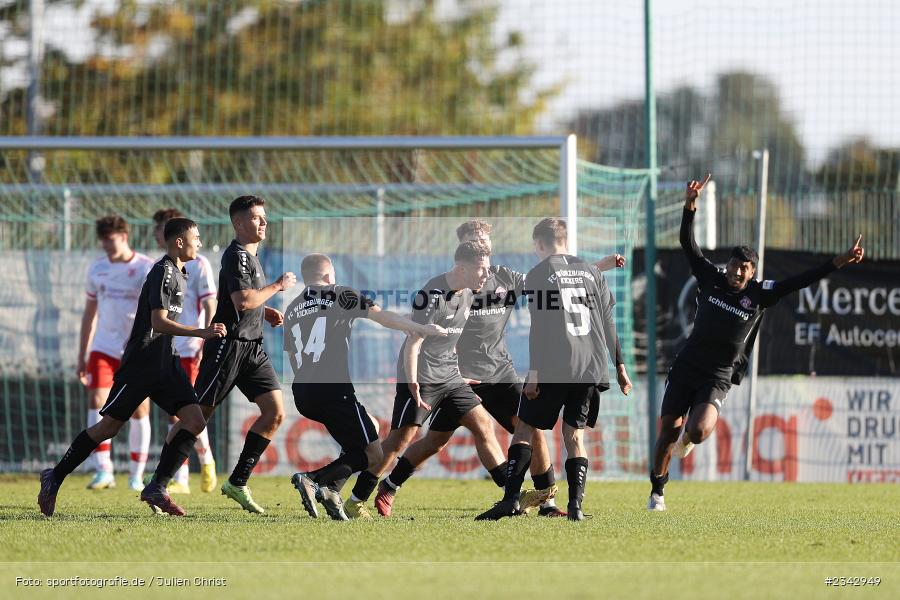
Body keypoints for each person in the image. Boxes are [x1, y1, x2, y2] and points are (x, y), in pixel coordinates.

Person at [648, 174, 865, 511]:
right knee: (666, 434)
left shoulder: (760, 294)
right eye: (735, 265)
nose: (737, 272)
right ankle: (657, 492)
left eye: (745, 268)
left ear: (752, 273)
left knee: (699, 429)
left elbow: (801, 280)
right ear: (729, 265)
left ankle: (688, 440)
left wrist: (839, 261)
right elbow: (687, 243)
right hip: (687, 366)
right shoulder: (711, 278)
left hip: (717, 375)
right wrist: (690, 206)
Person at [39, 218, 227, 517]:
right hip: (142, 364)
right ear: (180, 242)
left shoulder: (182, 271)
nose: (200, 243)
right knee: (108, 428)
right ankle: (55, 476)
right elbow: (158, 322)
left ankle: (157, 486)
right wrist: (200, 332)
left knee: (194, 420)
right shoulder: (163, 271)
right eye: (197, 238)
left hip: (167, 363)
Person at [455, 219, 626, 517]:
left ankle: (512, 500)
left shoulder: (537, 273)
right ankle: (575, 507)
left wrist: (533, 374)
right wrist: (620, 365)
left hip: (553, 366)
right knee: (574, 437)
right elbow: (607, 320)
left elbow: (540, 329)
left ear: (539, 243)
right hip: (591, 367)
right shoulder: (590, 272)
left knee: (524, 427)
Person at [286, 254, 446, 520]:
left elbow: (293, 355)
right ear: (328, 276)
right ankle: (313, 479)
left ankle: (331, 491)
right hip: (332, 389)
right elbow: (382, 316)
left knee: (365, 430)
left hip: (302, 391)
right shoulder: (340, 293)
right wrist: (419, 327)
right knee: (373, 454)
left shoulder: (293, 307)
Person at [368, 241, 508, 517]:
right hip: (422, 377)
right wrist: (412, 382)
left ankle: (511, 495)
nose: (486, 275)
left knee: (480, 425)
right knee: (400, 441)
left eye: (488, 269)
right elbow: (413, 342)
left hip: (450, 377)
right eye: (481, 269)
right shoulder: (431, 294)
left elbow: (450, 341)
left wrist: (456, 374)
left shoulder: (468, 293)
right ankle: (355, 493)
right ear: (461, 268)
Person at [192, 195, 296, 514]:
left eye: (263, 216)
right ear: (238, 224)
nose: (263, 222)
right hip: (230, 346)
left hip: (252, 346)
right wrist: (277, 286)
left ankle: (237, 481)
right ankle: (159, 479)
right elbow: (243, 301)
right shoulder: (237, 255)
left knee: (275, 412)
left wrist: (265, 312)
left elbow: (243, 300)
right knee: (196, 417)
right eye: (255, 217)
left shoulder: (251, 255)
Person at [77, 215, 155, 491]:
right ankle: (103, 471)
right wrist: (82, 355)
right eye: (103, 241)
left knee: (139, 408)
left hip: (135, 349)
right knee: (97, 400)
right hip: (103, 347)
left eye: (110, 240)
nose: (106, 246)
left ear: (124, 236)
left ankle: (136, 475)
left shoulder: (146, 267)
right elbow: (89, 314)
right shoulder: (97, 269)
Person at [151, 209, 219, 494]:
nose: (157, 234)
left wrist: (206, 340)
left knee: (183, 415)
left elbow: (210, 303)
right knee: (179, 414)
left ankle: (182, 478)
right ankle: (205, 462)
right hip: (166, 349)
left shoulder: (200, 264)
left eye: (161, 228)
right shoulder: (160, 267)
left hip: (190, 347)